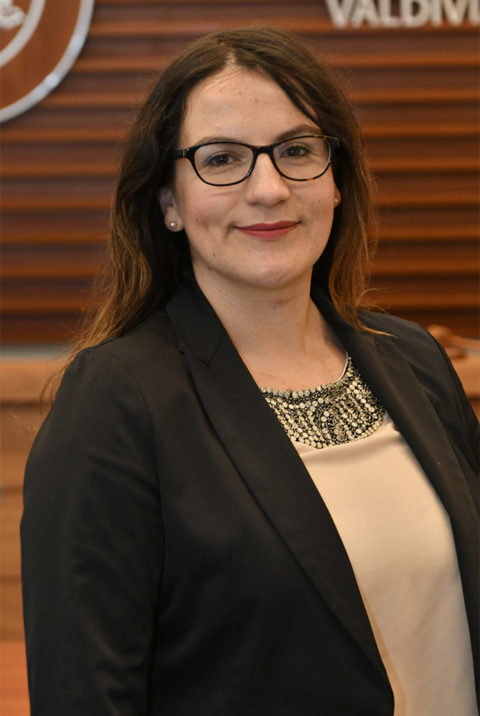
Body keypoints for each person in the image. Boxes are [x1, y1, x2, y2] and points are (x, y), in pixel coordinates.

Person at [21, 26, 478, 715]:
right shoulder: (115, 402)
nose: (269, 188)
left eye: (297, 151)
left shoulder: (413, 358)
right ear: (168, 203)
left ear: (337, 183)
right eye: (222, 159)